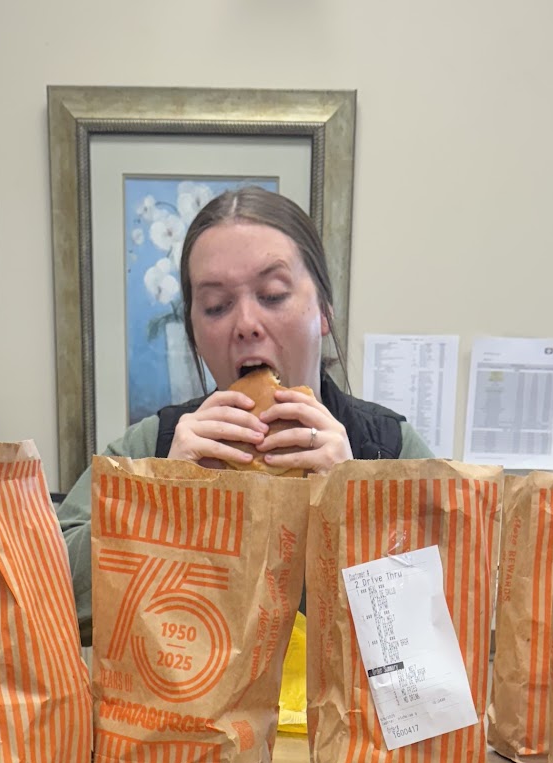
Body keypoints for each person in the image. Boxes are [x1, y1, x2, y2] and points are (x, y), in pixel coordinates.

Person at [57, 186, 432, 638]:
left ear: (324, 312)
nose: (246, 324)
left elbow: (440, 634)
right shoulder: (151, 446)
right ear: (195, 333)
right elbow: (42, 592)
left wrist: (352, 510)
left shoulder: (390, 450)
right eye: (216, 306)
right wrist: (160, 504)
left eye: (272, 295)